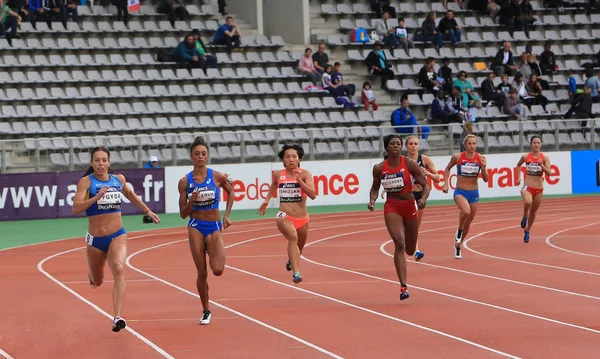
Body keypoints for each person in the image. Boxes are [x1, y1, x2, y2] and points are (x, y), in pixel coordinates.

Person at [72, 146, 160, 332]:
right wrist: (96, 197)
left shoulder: (118, 179)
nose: (101, 164)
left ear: (109, 162)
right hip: (95, 240)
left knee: (119, 269)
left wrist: (147, 211)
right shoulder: (86, 182)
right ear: (91, 163)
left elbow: (131, 195)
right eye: (97, 160)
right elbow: (76, 208)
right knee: (98, 281)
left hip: (117, 234)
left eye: (104, 160)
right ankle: (92, 275)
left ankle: (117, 317)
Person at [177, 136, 234, 325]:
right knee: (202, 272)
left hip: (214, 225)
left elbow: (231, 191)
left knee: (217, 270)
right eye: (196, 154)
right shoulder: (185, 182)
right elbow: (183, 214)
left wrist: (226, 215)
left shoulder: (217, 176)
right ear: (191, 157)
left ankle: (215, 247)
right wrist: (192, 201)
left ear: (207, 156)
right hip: (195, 226)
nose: (200, 157)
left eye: (203, 154)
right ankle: (206, 310)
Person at [368, 135, 430, 301]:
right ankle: (403, 286)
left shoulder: (408, 163)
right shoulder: (379, 168)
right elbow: (375, 187)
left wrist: (423, 199)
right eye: (392, 144)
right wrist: (372, 199)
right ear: (386, 148)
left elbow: (425, 185)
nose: (396, 146)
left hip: (410, 205)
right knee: (399, 243)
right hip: (392, 206)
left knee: (410, 249)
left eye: (398, 144)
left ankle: (405, 274)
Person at [258, 144, 317, 284]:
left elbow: (313, 195)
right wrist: (266, 200)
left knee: (299, 249)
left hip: (302, 217)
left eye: (294, 157)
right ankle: (296, 273)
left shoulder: (305, 174)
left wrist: (300, 181)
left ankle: (292, 261)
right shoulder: (279, 174)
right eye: (287, 157)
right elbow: (274, 184)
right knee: (292, 236)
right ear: (283, 160)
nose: (291, 159)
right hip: (283, 215)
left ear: (299, 159)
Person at [441, 134, 489, 259]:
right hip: (460, 192)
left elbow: (485, 179)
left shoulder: (481, 158)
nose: (472, 146)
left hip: (474, 193)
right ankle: (459, 229)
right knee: (466, 212)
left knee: (469, 221)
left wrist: (483, 169)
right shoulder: (457, 157)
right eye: (469, 143)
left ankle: (458, 245)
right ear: (465, 144)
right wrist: (445, 183)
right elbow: (447, 169)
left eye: (474, 143)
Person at [404, 135, 440, 261]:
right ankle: (416, 251)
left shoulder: (424, 159)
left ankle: (410, 245)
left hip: (421, 195)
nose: (413, 146)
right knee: (412, 224)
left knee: (416, 226)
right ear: (406, 146)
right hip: (407, 195)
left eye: (415, 144)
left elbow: (438, 178)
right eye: (411, 144)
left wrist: (428, 173)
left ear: (418, 146)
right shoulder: (402, 161)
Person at [515, 135, 551, 243]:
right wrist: (518, 177)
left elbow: (549, 173)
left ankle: (527, 230)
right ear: (531, 144)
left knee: (534, 212)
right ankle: (524, 215)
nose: (536, 145)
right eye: (534, 143)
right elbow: (518, 165)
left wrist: (542, 165)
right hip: (527, 186)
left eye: (538, 143)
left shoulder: (545, 158)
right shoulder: (526, 157)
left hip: (539, 189)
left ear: (541, 144)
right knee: (528, 201)